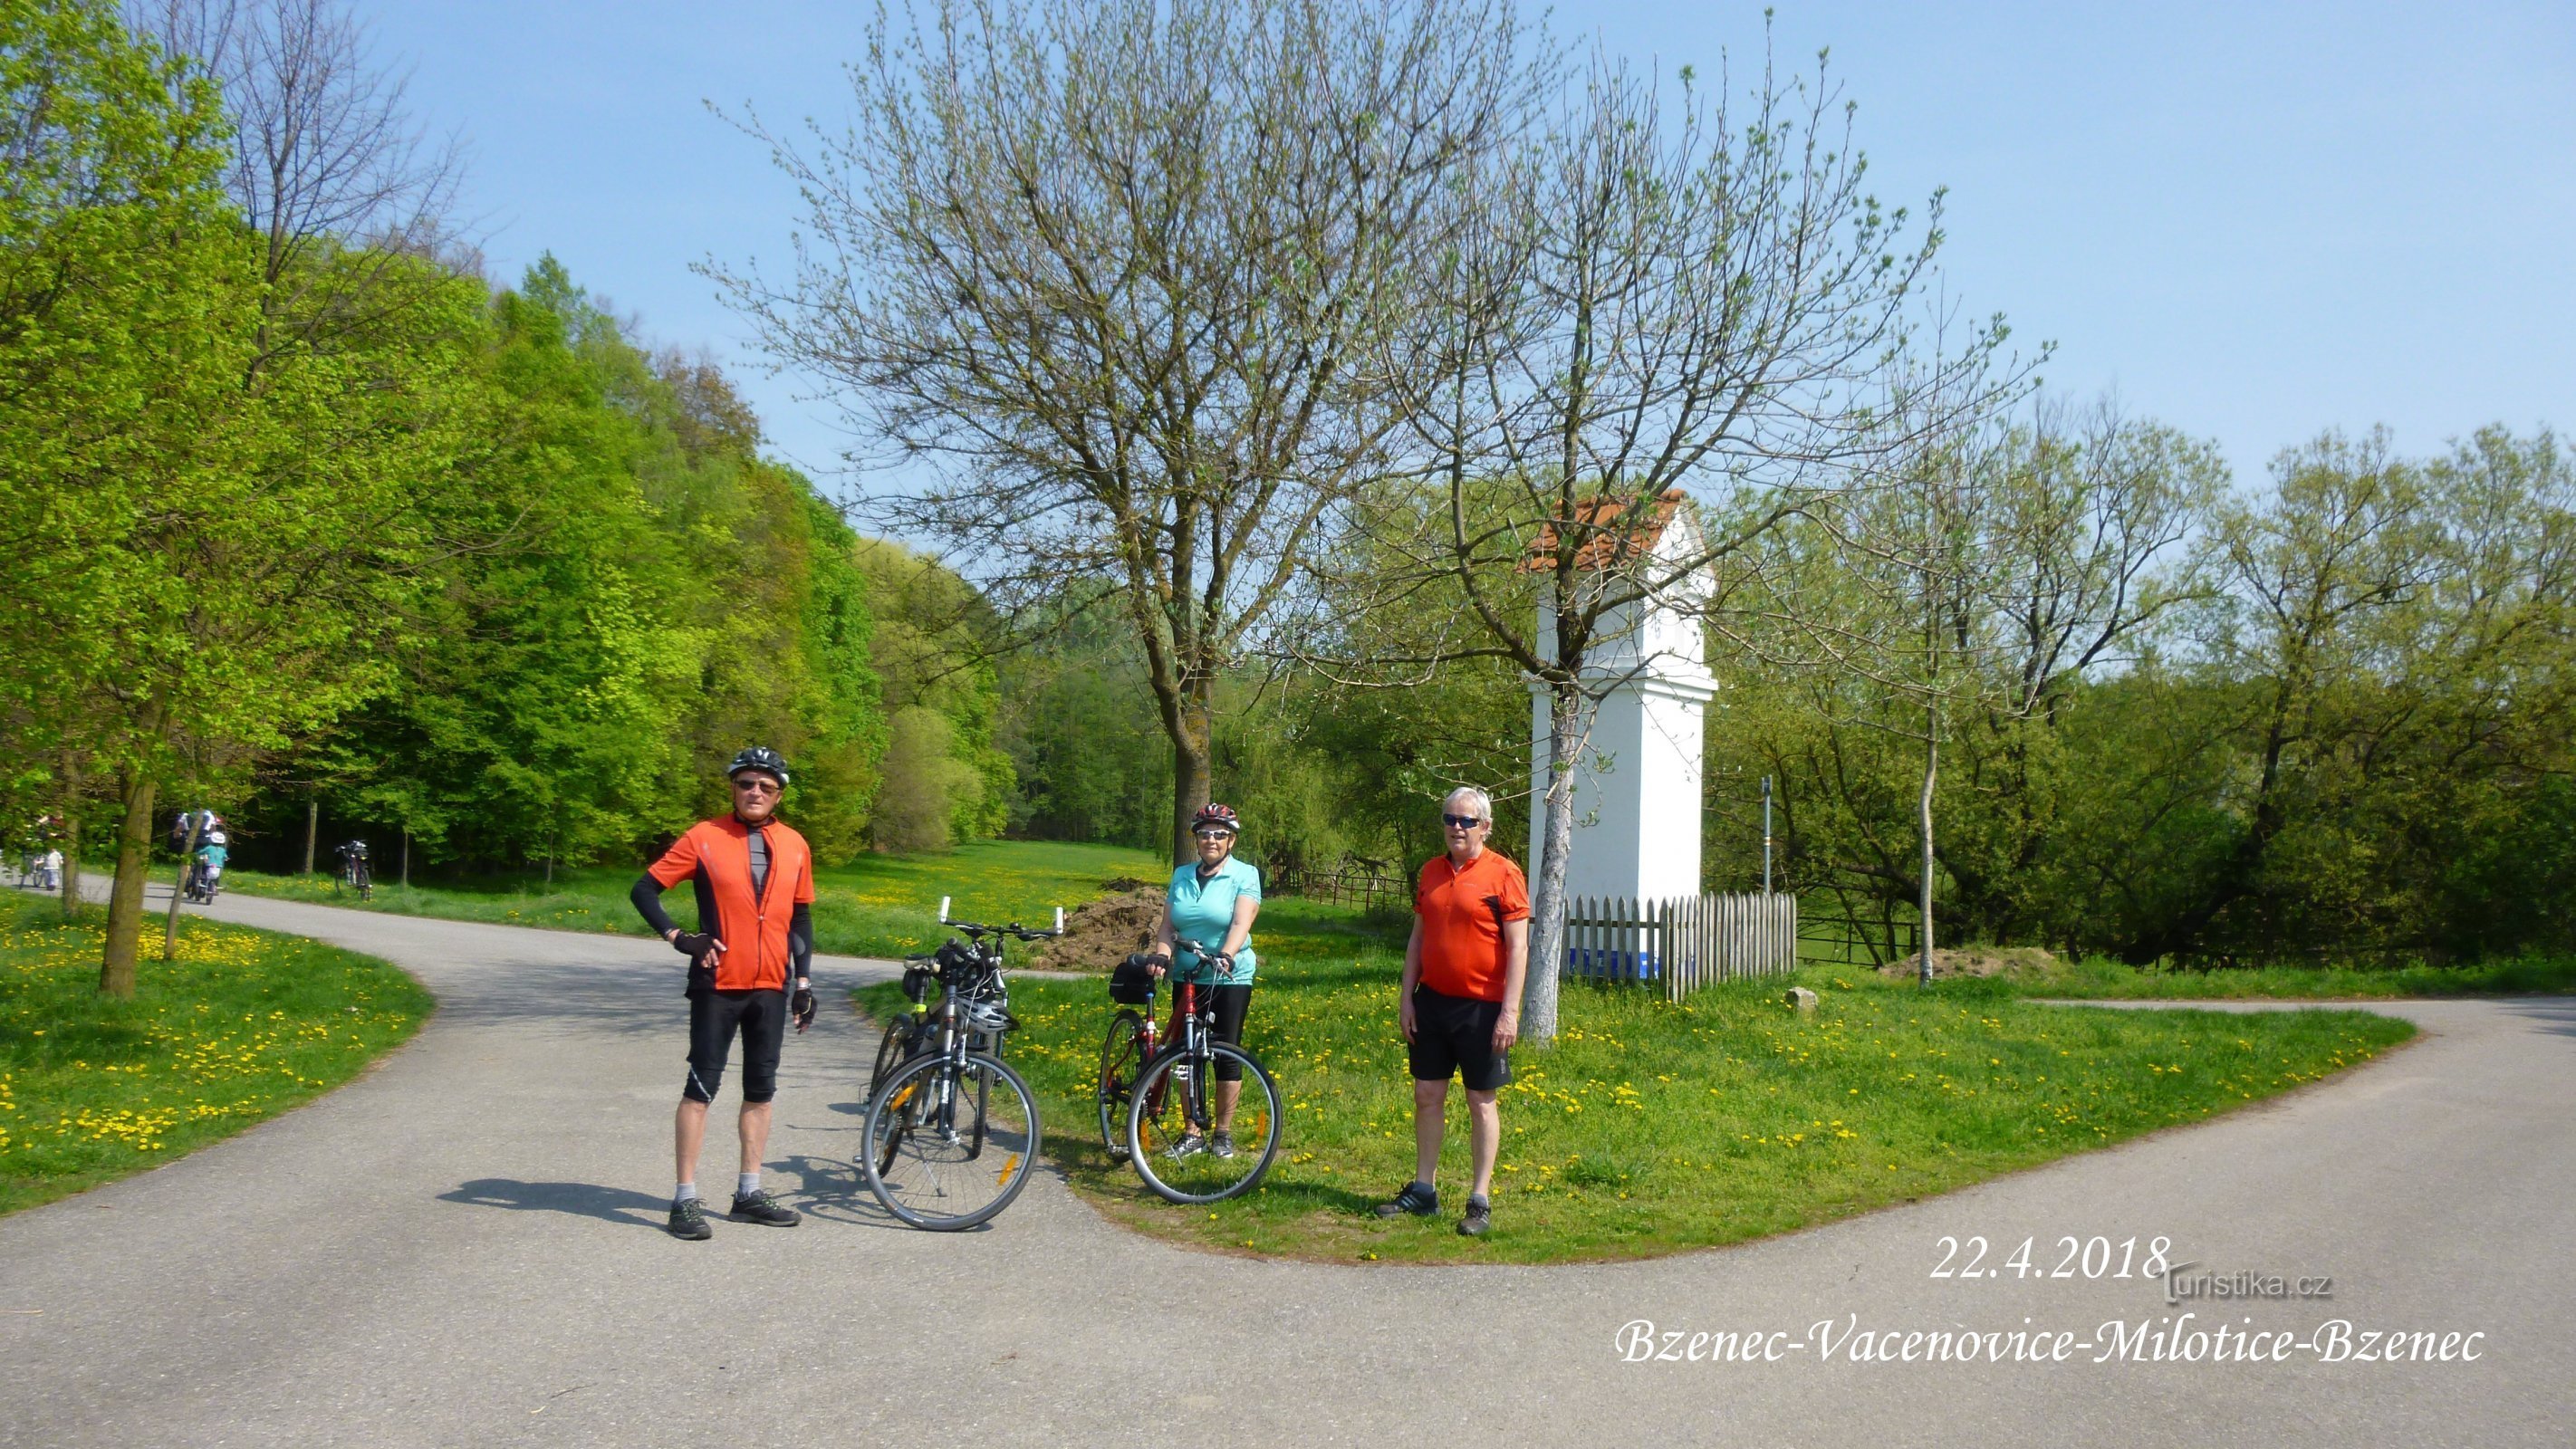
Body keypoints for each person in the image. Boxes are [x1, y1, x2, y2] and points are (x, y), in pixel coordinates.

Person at [629, 746, 819, 1241]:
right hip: (718, 984)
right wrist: (679, 937)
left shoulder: (796, 844)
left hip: (770, 989)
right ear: (733, 788)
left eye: (766, 786)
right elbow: (644, 890)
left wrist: (803, 982)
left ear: (778, 795)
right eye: (746, 783)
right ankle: (685, 1199)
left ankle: (748, 1193)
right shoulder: (704, 836)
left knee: (761, 1089)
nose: (755, 792)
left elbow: (799, 918)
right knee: (702, 1089)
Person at [1378, 786, 1529, 1238]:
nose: (1457, 828)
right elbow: (1418, 940)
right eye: (1450, 819)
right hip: (1434, 1002)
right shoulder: (1430, 871)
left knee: (1480, 1100)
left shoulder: (1504, 873)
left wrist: (1510, 1012)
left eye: (1466, 821)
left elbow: (1519, 947)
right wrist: (1407, 998)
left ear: (1485, 826)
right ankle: (1424, 1190)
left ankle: (1479, 1200)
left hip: (1483, 1007)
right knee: (1427, 1094)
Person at [1143, 802, 1261, 1157]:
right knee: (1185, 1054)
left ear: (1231, 841)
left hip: (1229, 976)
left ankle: (1222, 1134)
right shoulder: (1181, 875)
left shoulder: (1245, 874)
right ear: (1196, 838)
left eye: (1219, 834)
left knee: (1226, 1051)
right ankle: (1191, 1132)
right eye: (1204, 833)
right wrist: (1163, 953)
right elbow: (1169, 925)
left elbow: (1242, 922)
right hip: (1188, 975)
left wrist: (1226, 954)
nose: (1211, 839)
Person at [193, 830, 228, 901]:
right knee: (215, 877)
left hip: (209, 864)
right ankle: (214, 886)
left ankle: (203, 881)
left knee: (204, 871)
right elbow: (225, 856)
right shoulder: (222, 850)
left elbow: (201, 852)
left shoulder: (209, 847)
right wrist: (226, 858)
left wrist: (198, 853)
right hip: (218, 866)